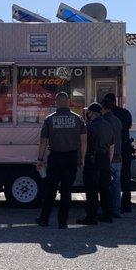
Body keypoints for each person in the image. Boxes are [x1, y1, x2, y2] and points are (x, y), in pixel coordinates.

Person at [36, 92, 87, 229]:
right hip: (71, 158)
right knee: (66, 191)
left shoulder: (49, 119)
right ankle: (62, 222)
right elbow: (83, 141)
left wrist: (40, 159)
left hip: (55, 158)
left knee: (50, 190)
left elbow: (43, 142)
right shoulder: (78, 119)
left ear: (56, 102)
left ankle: (44, 219)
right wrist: (82, 158)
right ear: (68, 102)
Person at [77, 103, 114, 225]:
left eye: (88, 112)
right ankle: (107, 215)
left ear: (92, 112)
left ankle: (91, 217)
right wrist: (109, 160)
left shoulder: (90, 126)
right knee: (105, 188)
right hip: (105, 158)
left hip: (92, 158)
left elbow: (84, 144)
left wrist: (81, 159)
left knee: (91, 189)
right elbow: (112, 145)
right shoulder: (109, 126)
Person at [104, 93, 133, 212]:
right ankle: (126, 204)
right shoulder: (125, 113)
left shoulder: (106, 116)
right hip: (125, 148)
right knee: (126, 177)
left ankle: (110, 205)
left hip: (111, 150)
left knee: (109, 179)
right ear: (115, 101)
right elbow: (129, 126)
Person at [101, 98, 123, 218]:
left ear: (103, 108)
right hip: (118, 156)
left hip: (107, 156)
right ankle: (116, 209)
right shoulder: (117, 121)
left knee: (105, 184)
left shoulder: (104, 121)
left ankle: (106, 209)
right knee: (116, 184)